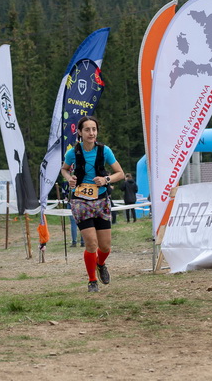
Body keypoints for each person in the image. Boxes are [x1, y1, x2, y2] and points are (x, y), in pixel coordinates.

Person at [60, 116, 124, 293]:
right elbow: (64, 169)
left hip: (101, 199)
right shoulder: (73, 152)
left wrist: (106, 179)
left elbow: (120, 173)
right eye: (87, 129)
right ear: (80, 132)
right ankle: (92, 281)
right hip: (80, 200)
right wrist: (69, 178)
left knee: (105, 246)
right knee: (91, 243)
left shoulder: (104, 151)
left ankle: (100, 264)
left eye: (94, 129)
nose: (91, 133)